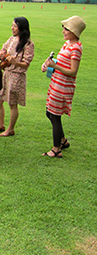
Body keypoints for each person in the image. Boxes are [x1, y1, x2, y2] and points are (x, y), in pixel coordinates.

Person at [41, 16, 86, 158]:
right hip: (56, 83)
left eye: (67, 29)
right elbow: (60, 62)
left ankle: (56, 149)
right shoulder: (67, 44)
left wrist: (55, 66)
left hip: (63, 87)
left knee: (55, 115)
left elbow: (73, 71)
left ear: (75, 31)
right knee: (49, 113)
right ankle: (63, 141)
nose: (63, 31)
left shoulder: (76, 48)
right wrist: (49, 64)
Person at [0, 17, 34, 137]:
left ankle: (10, 129)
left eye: (15, 26)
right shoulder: (11, 39)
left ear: (21, 28)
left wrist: (15, 62)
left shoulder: (28, 43)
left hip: (17, 76)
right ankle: (1, 124)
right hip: (6, 73)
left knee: (12, 103)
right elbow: (1, 51)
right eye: (12, 25)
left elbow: (26, 64)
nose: (12, 28)